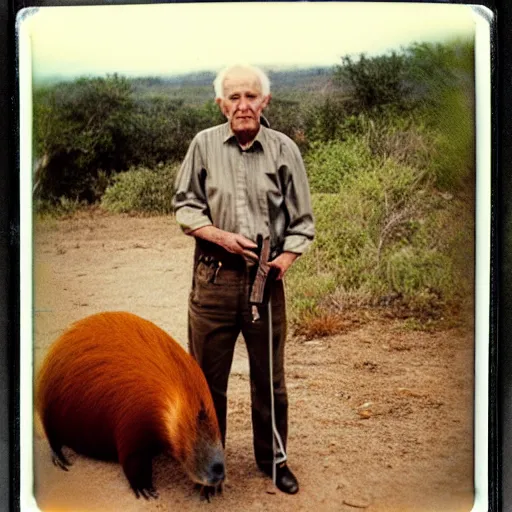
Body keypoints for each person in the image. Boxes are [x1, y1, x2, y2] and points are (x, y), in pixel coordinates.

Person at [173, 64, 314, 495]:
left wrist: (282, 263)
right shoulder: (203, 145)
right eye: (233, 97)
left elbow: (302, 222)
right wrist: (220, 237)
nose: (243, 105)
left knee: (268, 380)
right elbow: (185, 206)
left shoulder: (284, 149)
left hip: (265, 282)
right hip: (213, 279)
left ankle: (274, 462)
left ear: (265, 101)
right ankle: (208, 468)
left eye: (251, 96)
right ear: (221, 104)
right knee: (205, 380)